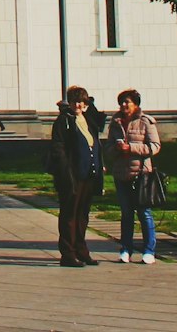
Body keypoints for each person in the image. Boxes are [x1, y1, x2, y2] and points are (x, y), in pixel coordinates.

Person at [104, 88, 161, 264]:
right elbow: (108, 148)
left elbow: (155, 146)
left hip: (141, 174)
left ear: (135, 104)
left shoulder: (145, 122)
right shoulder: (115, 123)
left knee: (144, 213)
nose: (123, 105)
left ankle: (149, 250)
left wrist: (133, 148)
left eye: (127, 102)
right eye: (121, 102)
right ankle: (126, 249)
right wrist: (117, 149)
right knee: (126, 213)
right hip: (122, 174)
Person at [47, 87, 101, 267]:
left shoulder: (86, 120)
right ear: (69, 103)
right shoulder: (64, 121)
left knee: (82, 214)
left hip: (88, 174)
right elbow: (58, 148)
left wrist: (89, 104)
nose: (78, 105)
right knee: (70, 215)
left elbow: (99, 123)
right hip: (72, 176)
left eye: (81, 102)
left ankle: (81, 250)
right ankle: (68, 253)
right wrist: (65, 172)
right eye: (74, 101)